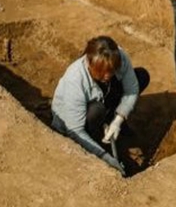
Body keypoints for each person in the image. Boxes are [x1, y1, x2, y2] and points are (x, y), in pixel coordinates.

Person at [51, 36, 150, 177]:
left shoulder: (119, 57)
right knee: (97, 110)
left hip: (103, 97)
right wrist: (105, 157)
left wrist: (118, 120)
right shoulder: (75, 79)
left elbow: (132, 90)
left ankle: (110, 119)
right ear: (90, 64)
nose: (107, 75)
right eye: (102, 72)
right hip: (73, 122)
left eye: (111, 70)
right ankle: (95, 136)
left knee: (141, 76)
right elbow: (75, 130)